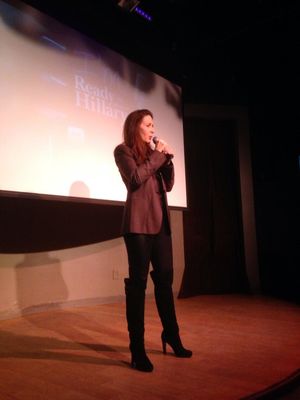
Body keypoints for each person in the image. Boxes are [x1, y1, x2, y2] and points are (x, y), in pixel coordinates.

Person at [114, 109, 192, 372]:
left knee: (165, 280)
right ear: (136, 126)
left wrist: (167, 161)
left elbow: (167, 186)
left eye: (153, 125)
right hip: (137, 226)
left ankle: (172, 335)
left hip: (161, 226)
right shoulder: (123, 151)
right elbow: (135, 180)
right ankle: (137, 350)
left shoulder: (153, 156)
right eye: (148, 124)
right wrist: (158, 156)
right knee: (137, 285)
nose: (152, 129)